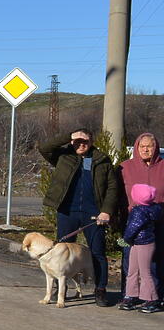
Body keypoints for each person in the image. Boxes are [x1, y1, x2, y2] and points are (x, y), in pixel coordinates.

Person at [38, 128, 118, 306]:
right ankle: (61, 289)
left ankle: (100, 290)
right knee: (61, 252)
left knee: (98, 252)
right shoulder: (63, 156)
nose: (81, 145)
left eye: (85, 141)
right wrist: (68, 136)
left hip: (94, 214)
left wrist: (106, 211)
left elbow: (113, 188)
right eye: (77, 141)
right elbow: (44, 148)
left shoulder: (102, 160)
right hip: (67, 212)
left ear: (92, 142)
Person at [117, 133, 164, 311]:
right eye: (142, 146)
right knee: (131, 263)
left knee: (154, 262)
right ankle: (130, 295)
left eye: (149, 146)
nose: (145, 149)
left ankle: (154, 297)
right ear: (136, 148)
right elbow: (116, 193)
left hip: (159, 222)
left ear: (156, 147)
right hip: (132, 221)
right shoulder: (125, 167)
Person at [120, 184, 162, 312]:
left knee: (145, 272)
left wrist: (125, 240)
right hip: (137, 243)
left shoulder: (139, 211)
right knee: (132, 270)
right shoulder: (152, 209)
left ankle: (152, 299)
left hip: (143, 244)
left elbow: (132, 228)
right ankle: (130, 295)